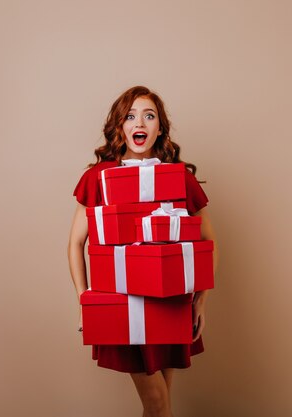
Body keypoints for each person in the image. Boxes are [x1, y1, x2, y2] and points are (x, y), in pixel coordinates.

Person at [68, 86, 218, 417]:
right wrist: (86, 301)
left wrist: (201, 301)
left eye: (149, 116)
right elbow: (76, 244)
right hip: (123, 305)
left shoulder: (178, 178)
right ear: (120, 126)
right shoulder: (98, 178)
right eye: (131, 116)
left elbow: (208, 243)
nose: (140, 122)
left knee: (159, 407)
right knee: (158, 403)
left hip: (172, 303)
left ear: (160, 127)